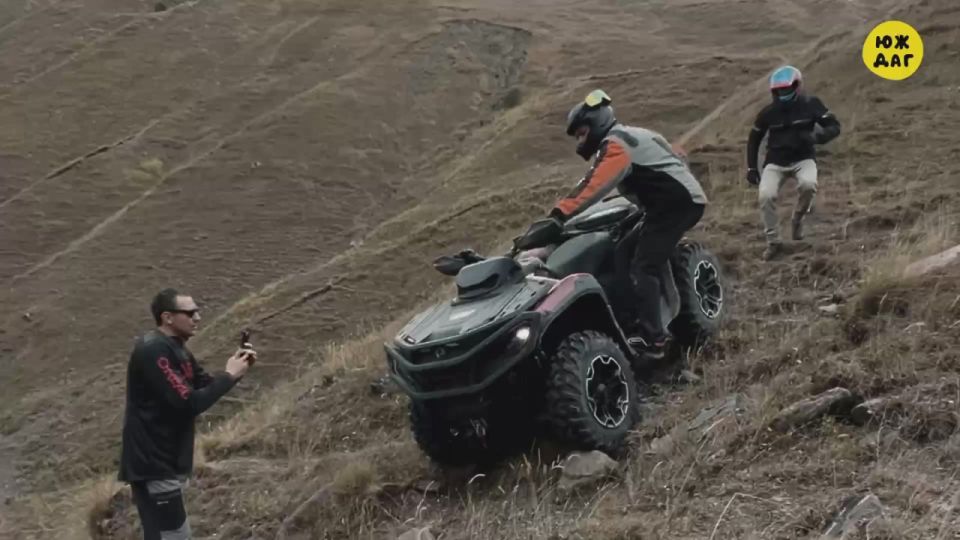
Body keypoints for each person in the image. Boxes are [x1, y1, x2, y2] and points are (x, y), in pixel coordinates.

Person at [548, 89, 708, 359]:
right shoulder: (634, 134)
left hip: (673, 206)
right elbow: (676, 154)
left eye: (582, 133)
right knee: (623, 251)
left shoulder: (615, 145)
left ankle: (655, 340)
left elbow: (594, 183)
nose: (580, 141)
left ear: (597, 122)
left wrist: (558, 214)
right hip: (671, 204)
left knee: (644, 266)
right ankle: (638, 318)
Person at [118, 288, 257, 539]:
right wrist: (229, 376)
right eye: (190, 313)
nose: (198, 318)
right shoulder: (154, 351)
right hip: (154, 464)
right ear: (168, 317)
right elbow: (189, 403)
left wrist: (236, 370)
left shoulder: (177, 349)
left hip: (167, 462)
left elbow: (204, 386)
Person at [746, 65, 841, 260]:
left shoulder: (811, 104)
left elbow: (834, 126)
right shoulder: (768, 113)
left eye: (787, 89)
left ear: (797, 86)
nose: (783, 94)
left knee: (808, 185)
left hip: (803, 158)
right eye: (779, 90)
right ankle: (773, 243)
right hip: (775, 161)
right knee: (766, 196)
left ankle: (797, 219)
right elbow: (754, 139)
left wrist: (817, 137)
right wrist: (751, 167)